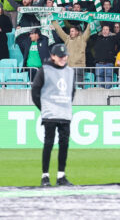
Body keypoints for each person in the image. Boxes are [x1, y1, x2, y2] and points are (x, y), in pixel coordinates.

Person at [30, 43, 76, 187]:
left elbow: (72, 91)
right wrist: (43, 108)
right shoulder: (45, 70)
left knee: (64, 144)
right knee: (48, 143)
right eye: (60, 56)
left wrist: (66, 105)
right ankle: (45, 176)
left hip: (64, 114)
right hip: (50, 113)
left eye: (65, 56)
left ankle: (61, 176)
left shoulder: (70, 71)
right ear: (53, 57)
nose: (63, 59)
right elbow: (35, 91)